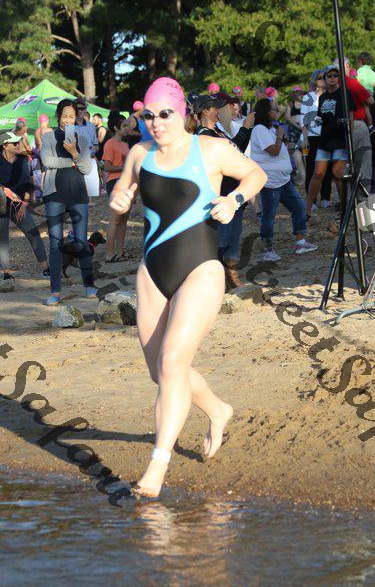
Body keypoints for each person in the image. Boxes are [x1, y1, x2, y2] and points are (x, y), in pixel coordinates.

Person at [109, 77, 266, 498]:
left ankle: (157, 466)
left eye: (165, 114)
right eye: (148, 116)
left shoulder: (209, 149)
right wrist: (118, 204)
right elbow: (122, 196)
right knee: (160, 371)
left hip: (201, 268)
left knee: (173, 360)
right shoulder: (140, 154)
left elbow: (255, 173)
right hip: (152, 273)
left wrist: (234, 200)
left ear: (182, 113)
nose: (156, 122)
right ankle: (218, 409)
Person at [193, 93, 255, 289]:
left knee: (233, 238)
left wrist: (246, 130)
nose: (218, 111)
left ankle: (231, 277)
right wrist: (245, 128)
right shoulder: (204, 135)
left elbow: (236, 151)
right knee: (223, 239)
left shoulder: (217, 132)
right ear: (205, 111)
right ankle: (219, 280)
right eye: (215, 108)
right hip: (220, 195)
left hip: (232, 193)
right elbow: (233, 151)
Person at [41, 99, 97, 305]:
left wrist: (74, 152)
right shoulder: (48, 136)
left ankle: (89, 286)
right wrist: (71, 162)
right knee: (55, 242)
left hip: (78, 195)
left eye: (71, 116)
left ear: (76, 118)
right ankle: (55, 291)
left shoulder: (82, 139)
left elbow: (87, 168)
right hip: (54, 195)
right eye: (64, 116)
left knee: (81, 240)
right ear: (58, 116)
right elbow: (47, 161)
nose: (68, 120)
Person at [251, 98, 318, 261]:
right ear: (266, 112)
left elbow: (281, 152)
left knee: (299, 207)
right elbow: (273, 151)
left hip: (284, 179)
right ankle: (267, 250)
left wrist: (285, 142)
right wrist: (280, 137)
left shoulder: (271, 129)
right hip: (270, 182)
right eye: (274, 109)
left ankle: (301, 242)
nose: (277, 111)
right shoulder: (259, 130)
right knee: (269, 215)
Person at [306, 65, 356, 217]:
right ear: (325, 79)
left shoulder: (345, 93)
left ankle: (344, 209)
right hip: (325, 140)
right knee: (318, 173)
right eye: (329, 76)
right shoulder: (322, 97)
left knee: (337, 173)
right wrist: (317, 121)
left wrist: (350, 137)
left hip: (340, 139)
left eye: (335, 75)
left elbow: (351, 116)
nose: (333, 78)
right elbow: (321, 117)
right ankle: (307, 209)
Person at [0, 131, 49, 281]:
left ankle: (46, 268)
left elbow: (29, 184)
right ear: (4, 146)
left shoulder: (24, 160)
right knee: (2, 239)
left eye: (18, 142)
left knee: (33, 233)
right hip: (1, 205)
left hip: (19, 205)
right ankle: (6, 273)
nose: (18, 145)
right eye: (14, 143)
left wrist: (25, 204)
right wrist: (4, 189)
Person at [335, 56, 373, 192]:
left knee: (345, 164)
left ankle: (346, 198)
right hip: (356, 124)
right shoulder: (351, 83)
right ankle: (362, 197)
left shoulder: (332, 86)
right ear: (346, 66)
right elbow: (370, 100)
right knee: (363, 162)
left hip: (338, 127)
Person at [301, 69, 333, 208]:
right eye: (319, 78)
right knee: (311, 169)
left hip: (326, 135)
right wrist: (305, 139)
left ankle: (325, 197)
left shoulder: (330, 96)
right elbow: (304, 121)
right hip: (312, 137)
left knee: (327, 168)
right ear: (315, 80)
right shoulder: (308, 97)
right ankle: (311, 201)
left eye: (323, 77)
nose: (322, 80)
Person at [102, 113, 131, 262]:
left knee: (124, 219)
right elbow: (107, 167)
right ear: (115, 128)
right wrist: (123, 167)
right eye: (124, 125)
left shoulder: (125, 144)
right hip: (114, 183)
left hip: (126, 182)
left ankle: (120, 252)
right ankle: (109, 254)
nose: (127, 128)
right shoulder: (110, 144)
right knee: (115, 219)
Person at [285, 86, 306, 188]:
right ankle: (303, 178)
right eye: (297, 93)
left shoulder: (306, 103)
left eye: (300, 93)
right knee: (295, 153)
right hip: (294, 130)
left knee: (305, 154)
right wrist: (297, 126)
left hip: (305, 130)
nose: (299, 95)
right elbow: (287, 117)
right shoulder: (291, 103)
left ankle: (307, 178)